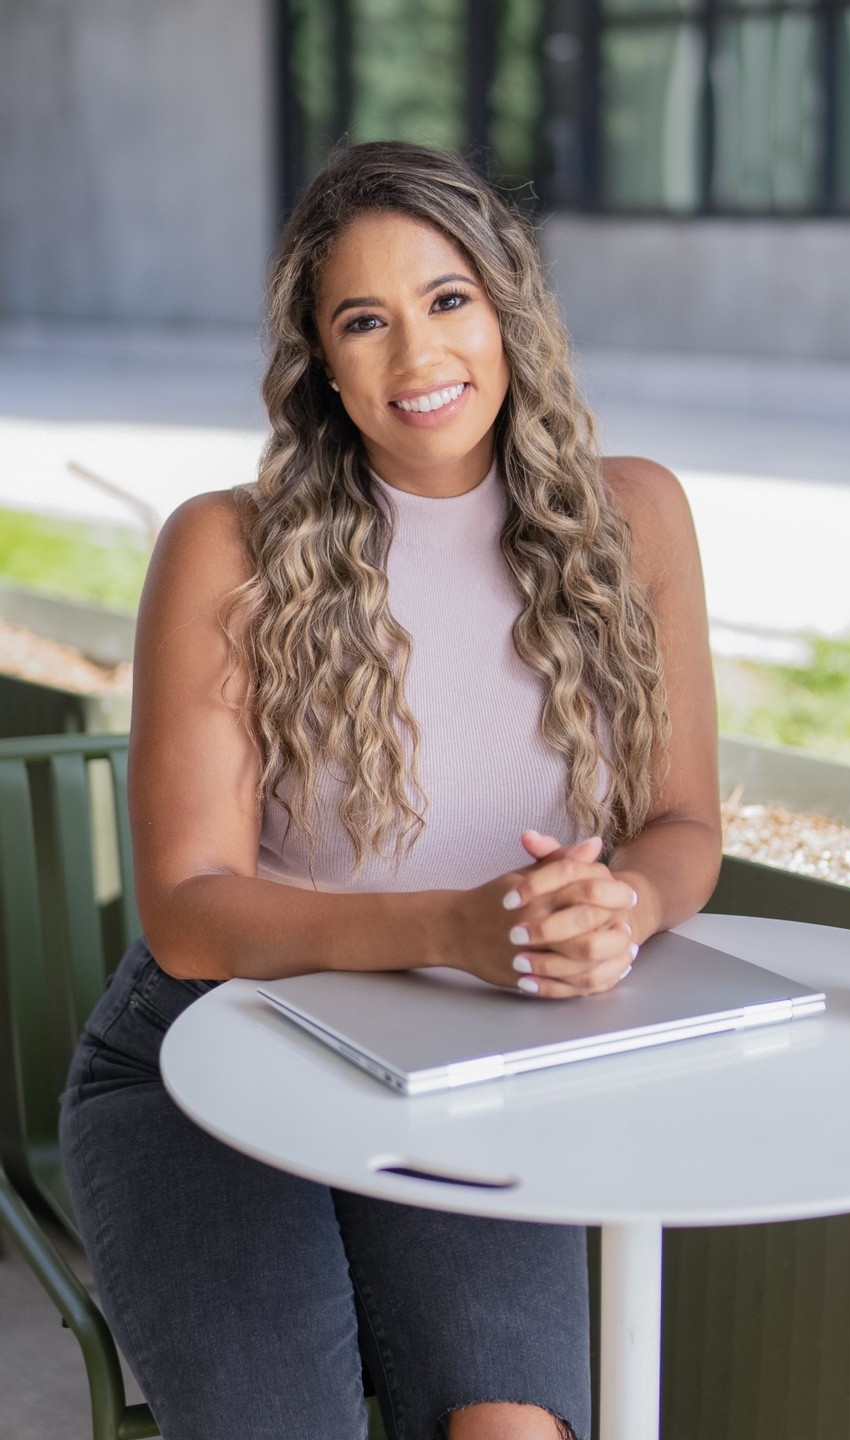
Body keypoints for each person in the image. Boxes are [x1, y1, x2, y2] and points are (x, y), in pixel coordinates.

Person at [59, 140, 721, 1440]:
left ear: (508, 307)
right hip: (214, 1047)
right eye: (364, 320)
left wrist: (624, 907)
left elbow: (684, 826)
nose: (418, 355)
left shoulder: (635, 519)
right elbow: (187, 914)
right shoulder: (228, 547)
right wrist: (456, 929)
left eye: (447, 299)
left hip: (468, 1056)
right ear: (319, 358)